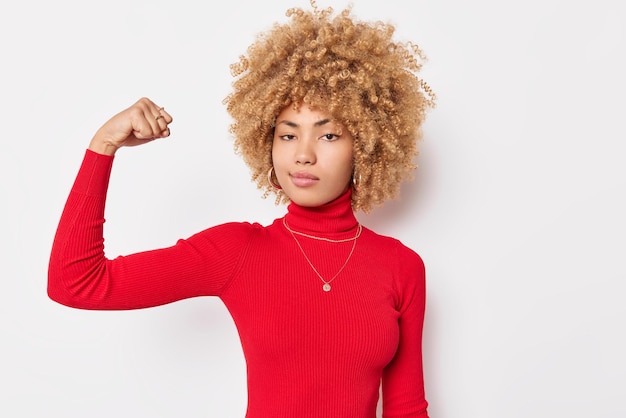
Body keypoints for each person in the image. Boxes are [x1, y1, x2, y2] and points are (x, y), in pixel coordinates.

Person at [48, 1, 436, 417]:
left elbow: (406, 407)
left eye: (328, 136)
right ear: (265, 143)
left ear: (366, 146)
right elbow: (75, 283)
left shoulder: (401, 266)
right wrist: (103, 146)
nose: (302, 155)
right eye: (288, 135)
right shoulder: (238, 251)